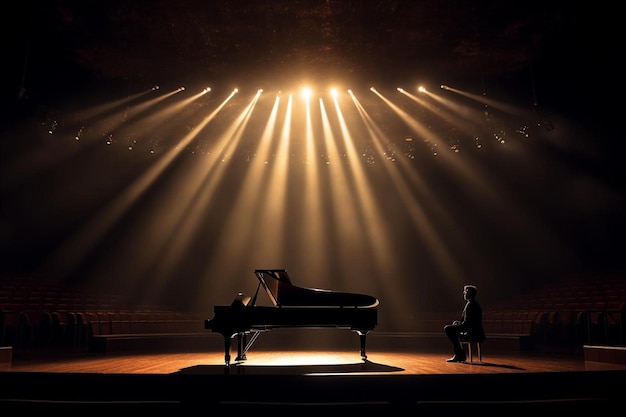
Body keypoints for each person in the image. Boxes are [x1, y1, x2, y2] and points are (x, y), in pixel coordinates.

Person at [443, 284, 486, 362]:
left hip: (473, 331)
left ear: (470, 293)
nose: (464, 293)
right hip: (472, 329)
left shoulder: (471, 305)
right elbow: (468, 321)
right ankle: (460, 354)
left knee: (448, 329)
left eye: (465, 292)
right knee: (452, 329)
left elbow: (468, 323)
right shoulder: (472, 304)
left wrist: (459, 325)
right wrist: (459, 323)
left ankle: (459, 354)